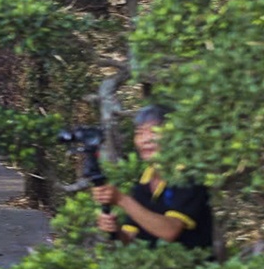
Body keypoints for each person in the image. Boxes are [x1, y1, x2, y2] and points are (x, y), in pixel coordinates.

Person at [91, 104, 214, 250]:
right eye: (140, 133)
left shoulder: (188, 176)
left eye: (154, 131)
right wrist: (116, 230)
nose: (145, 140)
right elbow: (131, 238)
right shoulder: (145, 180)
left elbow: (170, 231)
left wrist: (122, 199)